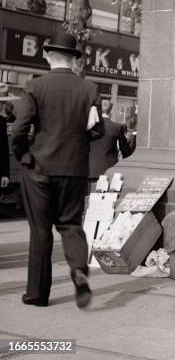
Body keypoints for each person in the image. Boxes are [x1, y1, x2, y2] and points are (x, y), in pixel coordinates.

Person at [11, 32, 105, 309]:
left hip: (39, 167)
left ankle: (37, 294)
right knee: (71, 225)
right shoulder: (88, 89)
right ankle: (78, 270)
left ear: (47, 56)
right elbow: (97, 129)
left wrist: (24, 154)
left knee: (40, 229)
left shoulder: (34, 87)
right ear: (74, 59)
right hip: (75, 169)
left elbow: (19, 128)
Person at [88, 98, 136, 182]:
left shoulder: (90, 126)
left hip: (88, 170)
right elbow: (126, 152)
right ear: (110, 110)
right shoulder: (116, 127)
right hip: (108, 170)